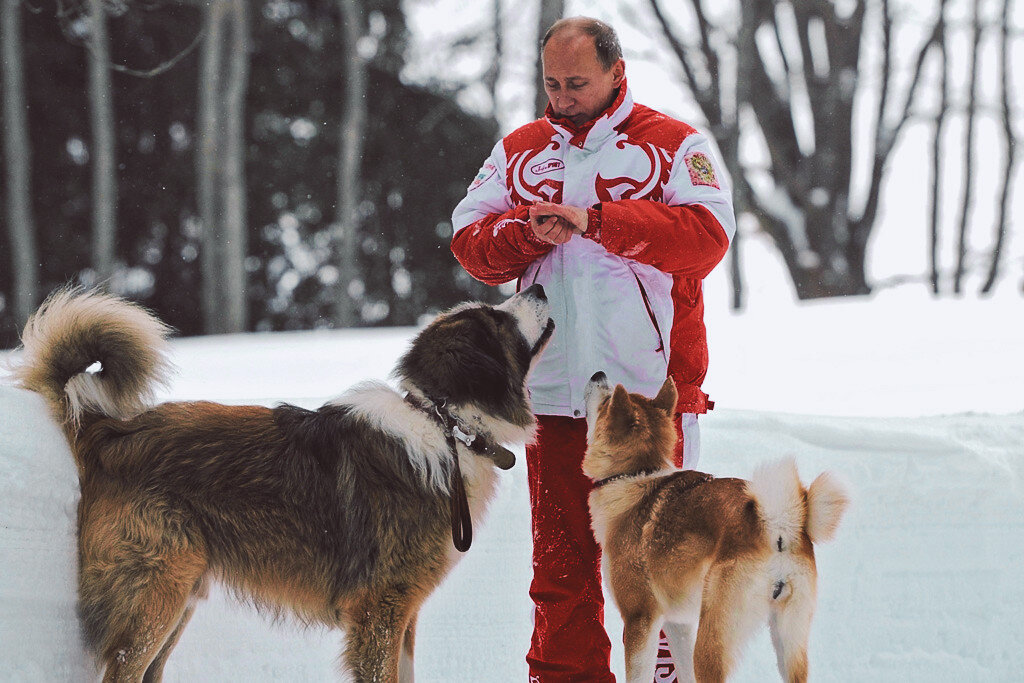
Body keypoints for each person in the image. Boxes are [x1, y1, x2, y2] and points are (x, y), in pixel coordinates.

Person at [450, 16, 736, 683]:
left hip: (649, 401)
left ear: (615, 71)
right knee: (559, 566)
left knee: (664, 561)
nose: (563, 96)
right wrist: (527, 233)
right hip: (550, 393)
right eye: (552, 83)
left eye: (577, 82)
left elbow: (706, 236)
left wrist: (601, 222)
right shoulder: (521, 149)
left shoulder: (673, 144)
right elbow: (470, 238)